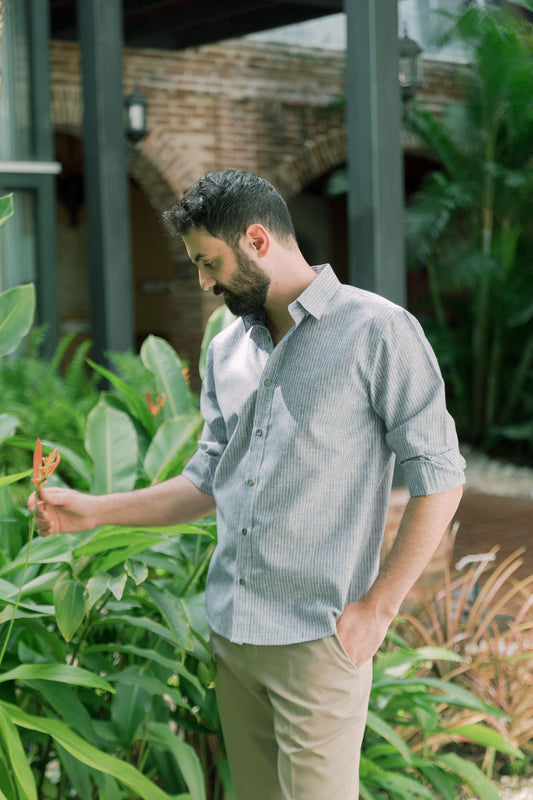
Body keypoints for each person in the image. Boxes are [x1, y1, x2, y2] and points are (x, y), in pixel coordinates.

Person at [31, 169, 465, 800]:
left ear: (258, 239)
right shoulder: (228, 350)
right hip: (235, 636)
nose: (204, 283)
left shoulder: (378, 331)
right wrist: (91, 512)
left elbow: (441, 477)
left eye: (209, 263)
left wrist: (378, 608)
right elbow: (210, 481)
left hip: (320, 639)